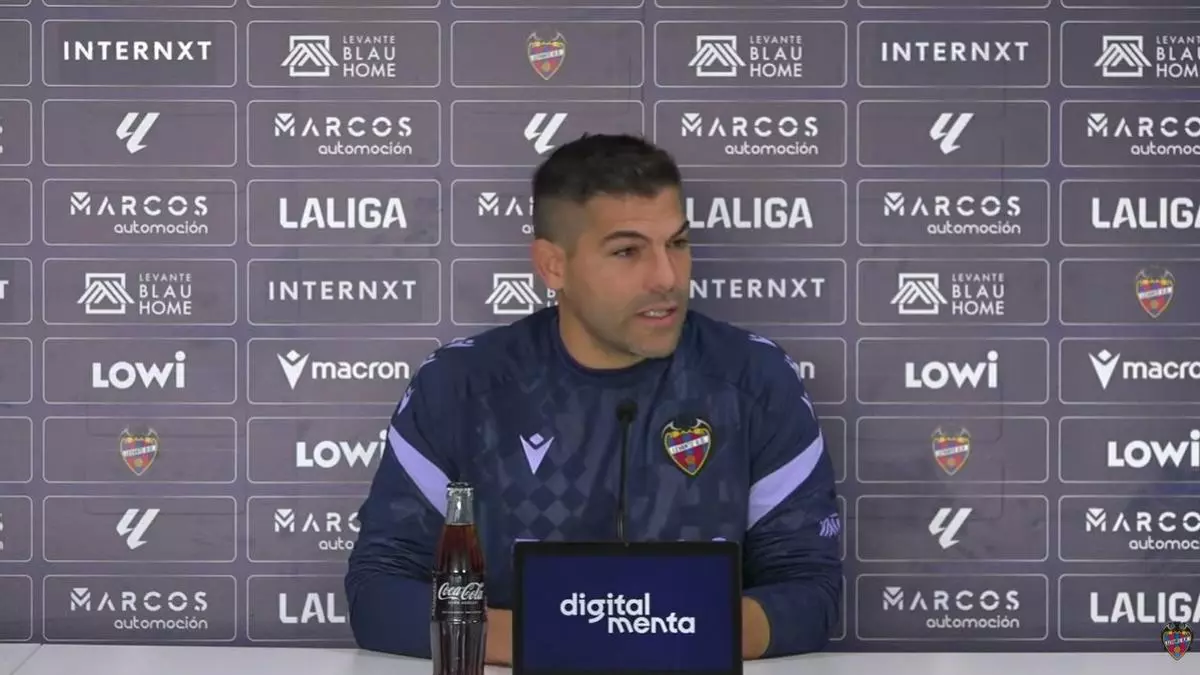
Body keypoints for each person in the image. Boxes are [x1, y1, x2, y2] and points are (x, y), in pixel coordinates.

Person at [345, 133, 842, 664]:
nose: (667, 278)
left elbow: (809, 592)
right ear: (553, 266)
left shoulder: (753, 379)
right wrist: (568, 636)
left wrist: (658, 632)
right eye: (627, 251)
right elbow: (380, 591)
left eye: (677, 244)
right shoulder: (461, 385)